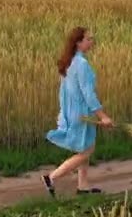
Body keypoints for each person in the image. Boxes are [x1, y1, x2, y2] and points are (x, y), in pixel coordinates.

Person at [42, 26, 114, 198]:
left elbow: (64, 92)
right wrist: (103, 116)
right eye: (88, 39)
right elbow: (88, 94)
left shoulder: (70, 61)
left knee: (86, 147)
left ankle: (83, 186)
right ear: (78, 43)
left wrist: (64, 112)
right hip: (82, 114)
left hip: (74, 113)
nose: (92, 42)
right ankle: (51, 177)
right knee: (86, 151)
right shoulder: (81, 64)